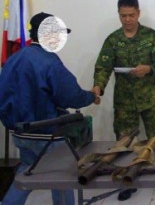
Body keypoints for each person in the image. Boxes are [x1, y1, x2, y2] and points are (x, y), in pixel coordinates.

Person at [0, 12, 98, 205]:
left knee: (27, 172)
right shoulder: (49, 62)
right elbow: (71, 96)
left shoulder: (13, 60)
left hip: (20, 133)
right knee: (61, 177)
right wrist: (92, 95)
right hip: (47, 135)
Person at [92, 0, 155, 201]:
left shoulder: (151, 36)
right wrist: (98, 87)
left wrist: (149, 69)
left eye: (131, 15)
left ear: (138, 13)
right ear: (118, 14)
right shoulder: (113, 40)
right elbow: (103, 67)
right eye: (123, 15)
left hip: (150, 99)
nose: (127, 19)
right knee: (124, 144)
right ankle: (126, 181)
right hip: (125, 103)